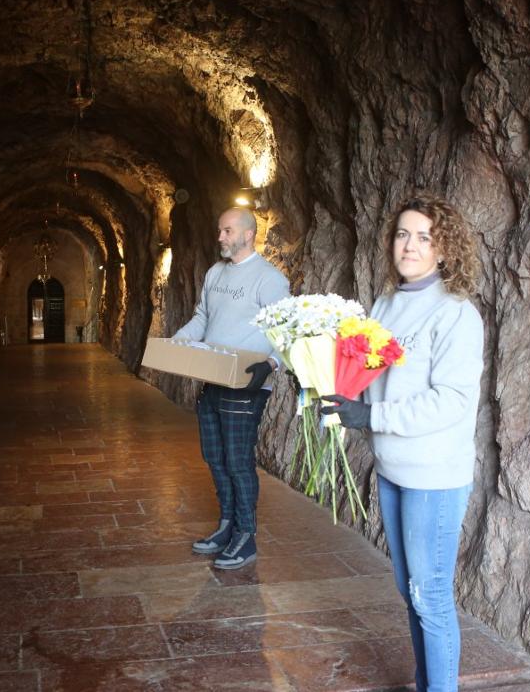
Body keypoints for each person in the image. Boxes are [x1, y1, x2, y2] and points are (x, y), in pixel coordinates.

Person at [320, 193, 484, 692]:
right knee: (407, 589)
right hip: (394, 468)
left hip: (433, 475)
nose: (409, 245)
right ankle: (425, 682)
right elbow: (372, 372)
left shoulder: (457, 314)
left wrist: (372, 415)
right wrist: (323, 378)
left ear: (444, 249)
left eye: (424, 237)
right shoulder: (388, 303)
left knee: (429, 594)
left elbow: (452, 401)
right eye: (402, 234)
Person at [174, 206, 290, 570]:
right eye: (220, 230)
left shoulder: (269, 279)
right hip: (213, 378)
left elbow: (286, 330)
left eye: (226, 231)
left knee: (239, 462)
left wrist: (270, 364)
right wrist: (177, 342)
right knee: (214, 456)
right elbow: (202, 317)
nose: (220, 237)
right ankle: (227, 525)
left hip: (245, 384)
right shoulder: (214, 272)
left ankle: (247, 535)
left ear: (246, 234)